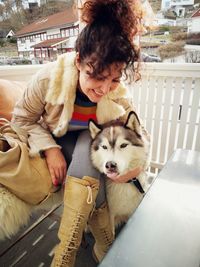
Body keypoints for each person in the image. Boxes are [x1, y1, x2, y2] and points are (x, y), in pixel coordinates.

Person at [12, 0, 149, 266]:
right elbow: (22, 119)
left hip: (89, 148)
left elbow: (138, 133)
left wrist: (137, 165)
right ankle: (102, 244)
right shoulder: (47, 78)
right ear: (78, 61)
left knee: (91, 142)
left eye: (115, 78)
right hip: (56, 141)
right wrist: (50, 149)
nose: (104, 88)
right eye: (96, 75)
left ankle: (67, 252)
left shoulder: (118, 95)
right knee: (90, 144)